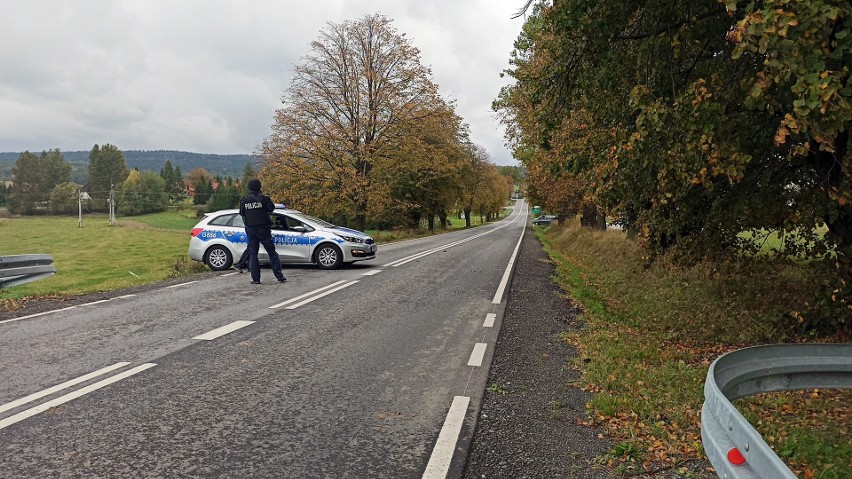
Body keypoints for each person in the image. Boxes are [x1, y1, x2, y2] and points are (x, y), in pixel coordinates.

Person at [238, 179, 286, 284]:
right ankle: (279, 276)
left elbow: (242, 213)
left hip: (251, 230)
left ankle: (256, 279)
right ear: (259, 187)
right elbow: (271, 209)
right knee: (272, 253)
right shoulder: (263, 199)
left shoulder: (244, 201)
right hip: (264, 230)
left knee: (253, 254)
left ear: (249, 188)